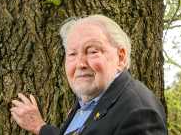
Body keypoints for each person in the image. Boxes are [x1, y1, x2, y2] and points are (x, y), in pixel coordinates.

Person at [10, 14, 168, 135]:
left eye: (92, 51)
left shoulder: (139, 113)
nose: (80, 64)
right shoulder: (92, 100)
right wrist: (40, 127)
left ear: (120, 57)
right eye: (72, 54)